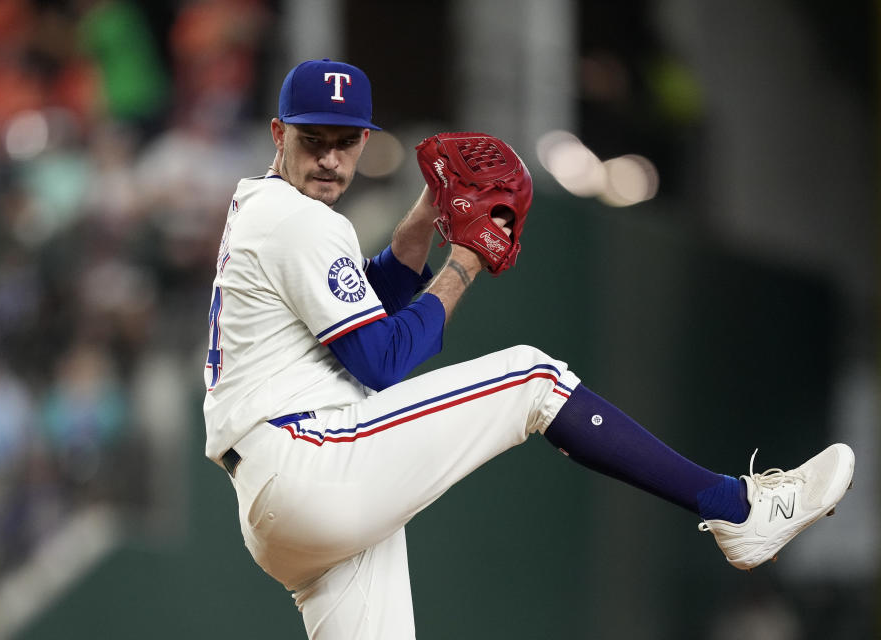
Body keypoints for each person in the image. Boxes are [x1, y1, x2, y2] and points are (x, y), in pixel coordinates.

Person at [201, 58, 855, 639]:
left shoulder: (270, 213)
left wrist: (429, 211)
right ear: (279, 134)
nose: (330, 159)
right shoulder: (299, 218)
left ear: (366, 139)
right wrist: (465, 258)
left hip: (283, 497)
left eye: (346, 142)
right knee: (534, 380)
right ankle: (738, 509)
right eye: (314, 139)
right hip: (311, 465)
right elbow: (382, 359)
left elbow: (366, 305)